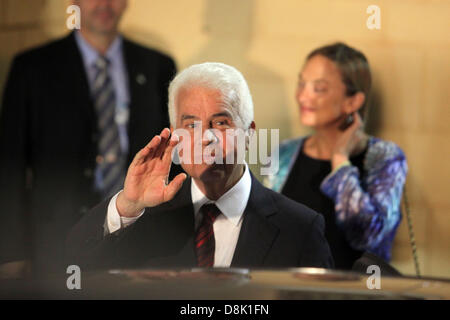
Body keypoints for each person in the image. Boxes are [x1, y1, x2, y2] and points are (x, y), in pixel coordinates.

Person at [66, 62, 334, 270]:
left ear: (249, 134)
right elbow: (74, 269)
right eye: (191, 125)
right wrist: (127, 204)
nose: (206, 139)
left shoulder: (300, 228)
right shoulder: (145, 217)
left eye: (221, 123)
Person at [0, 0, 177, 277]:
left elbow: (173, 158)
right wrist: (11, 254)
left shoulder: (159, 67)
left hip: (140, 245)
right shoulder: (31, 68)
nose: (105, 4)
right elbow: (9, 167)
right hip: (54, 245)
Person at [264, 43, 408, 270]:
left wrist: (340, 160)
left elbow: (367, 235)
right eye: (301, 83)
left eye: (318, 88)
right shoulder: (283, 153)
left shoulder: (385, 157)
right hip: (292, 291)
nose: (303, 96)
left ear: (353, 101)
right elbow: (267, 231)